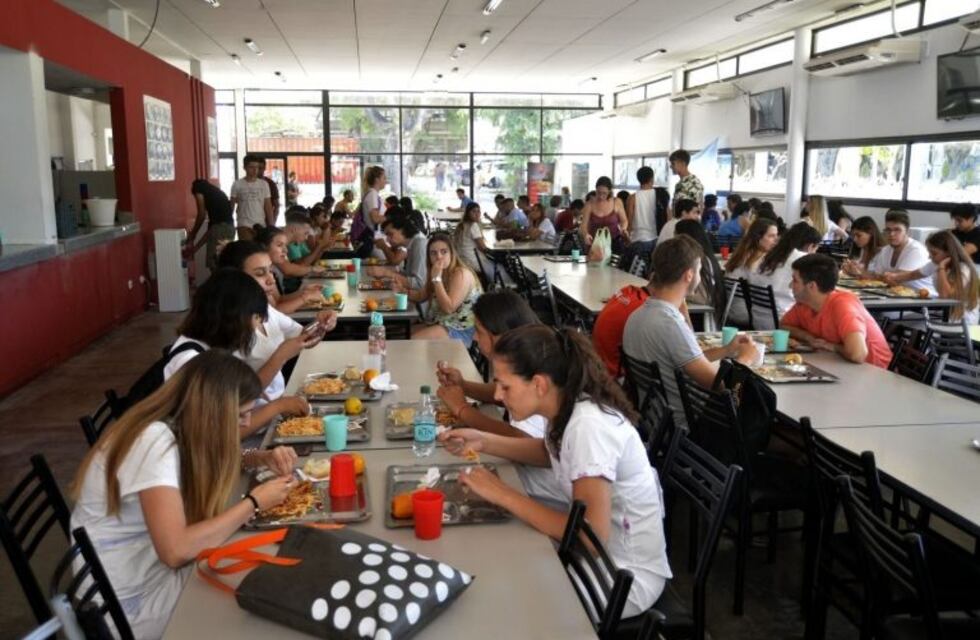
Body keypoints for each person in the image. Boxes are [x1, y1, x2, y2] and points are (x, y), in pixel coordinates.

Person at [438, 325, 672, 617]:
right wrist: (483, 441)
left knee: (498, 602)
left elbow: (591, 538)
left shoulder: (588, 427)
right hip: (597, 556)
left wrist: (505, 495)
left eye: (505, 386)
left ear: (539, 384)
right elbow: (548, 452)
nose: (497, 395)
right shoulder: (565, 407)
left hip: (621, 575)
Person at [70, 351, 297, 638]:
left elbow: (217, 455)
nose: (245, 423)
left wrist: (259, 457)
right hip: (126, 607)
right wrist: (254, 503)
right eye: (240, 414)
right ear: (211, 410)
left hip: (144, 574)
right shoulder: (152, 443)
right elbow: (176, 551)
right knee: (258, 602)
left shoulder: (174, 422)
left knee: (257, 569)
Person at [623, 236, 760, 430]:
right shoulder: (669, 324)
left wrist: (727, 350)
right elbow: (718, 386)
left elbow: (689, 358)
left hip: (654, 420)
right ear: (689, 275)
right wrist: (744, 361)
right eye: (699, 269)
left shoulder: (638, 315)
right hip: (688, 425)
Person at [162, 269, 315, 436]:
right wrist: (278, 406)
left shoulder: (219, 347)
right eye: (256, 317)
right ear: (233, 317)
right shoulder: (191, 361)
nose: (259, 325)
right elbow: (223, 434)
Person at [435, 291, 542, 439]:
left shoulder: (531, 370)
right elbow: (501, 392)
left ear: (499, 337)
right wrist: (463, 385)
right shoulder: (522, 356)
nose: (474, 337)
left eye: (479, 331)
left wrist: (463, 409)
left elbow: (522, 439)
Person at [782, 254, 893, 368]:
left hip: (873, 371)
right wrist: (809, 337)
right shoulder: (805, 303)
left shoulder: (843, 305)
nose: (790, 285)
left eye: (795, 281)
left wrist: (833, 346)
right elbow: (784, 326)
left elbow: (858, 354)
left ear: (811, 286)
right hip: (837, 364)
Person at [217, 240, 339, 330]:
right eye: (260, 273)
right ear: (234, 277)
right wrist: (304, 297)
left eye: (270, 270)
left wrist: (320, 324)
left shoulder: (264, 309)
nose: (272, 280)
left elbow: (301, 335)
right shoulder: (228, 325)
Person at [398, 233, 481, 344]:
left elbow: (449, 308)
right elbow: (421, 296)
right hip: (441, 322)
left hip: (461, 329)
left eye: (444, 252)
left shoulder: (461, 274)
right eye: (433, 253)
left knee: (411, 343)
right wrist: (402, 291)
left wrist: (437, 279)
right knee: (401, 336)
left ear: (452, 253)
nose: (439, 257)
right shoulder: (438, 272)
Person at [883, 231, 980, 325]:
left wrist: (941, 268)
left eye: (934, 253)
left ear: (949, 253)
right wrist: (894, 276)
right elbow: (914, 275)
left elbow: (945, 295)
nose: (930, 257)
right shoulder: (935, 263)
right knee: (897, 323)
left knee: (914, 324)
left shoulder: (963, 269)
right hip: (942, 313)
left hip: (960, 319)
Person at [749, 222, 823, 328]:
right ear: (811, 246)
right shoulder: (802, 258)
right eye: (816, 249)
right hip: (782, 321)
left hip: (757, 319)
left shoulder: (769, 255)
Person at [861, 209, 935, 294]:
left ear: (908, 232)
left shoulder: (916, 250)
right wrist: (858, 273)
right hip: (897, 298)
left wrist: (880, 277)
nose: (892, 234)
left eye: (897, 230)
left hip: (923, 301)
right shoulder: (885, 250)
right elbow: (877, 277)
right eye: (888, 230)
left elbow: (896, 280)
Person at [724, 218, 779, 325]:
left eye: (776, 236)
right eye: (771, 236)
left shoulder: (741, 255)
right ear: (758, 237)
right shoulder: (758, 262)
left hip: (732, 311)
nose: (776, 240)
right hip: (747, 314)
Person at [675, 219, 727, 328]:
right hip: (697, 313)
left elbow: (704, 298)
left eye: (676, 236)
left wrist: (676, 292)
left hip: (701, 318)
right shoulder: (702, 257)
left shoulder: (702, 260)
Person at [253, 225, 325, 294]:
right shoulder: (264, 273)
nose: (286, 250)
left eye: (284, 245)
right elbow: (289, 271)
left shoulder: (271, 268)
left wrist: (305, 293)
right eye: (279, 245)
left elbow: (279, 300)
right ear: (264, 247)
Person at [369, 213, 428, 289]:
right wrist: (385, 272)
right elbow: (409, 275)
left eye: (390, 234)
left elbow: (419, 284)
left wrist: (386, 273)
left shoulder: (419, 243)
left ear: (403, 230)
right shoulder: (412, 243)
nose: (387, 239)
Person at [187, 178, 235, 271]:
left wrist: (193, 234)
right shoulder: (217, 194)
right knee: (223, 263)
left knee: (215, 265)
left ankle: (219, 285)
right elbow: (211, 232)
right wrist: (196, 248)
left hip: (220, 230)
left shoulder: (199, 189)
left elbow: (201, 214)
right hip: (230, 229)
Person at [580, 176, 629, 254]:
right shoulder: (589, 204)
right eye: (598, 192)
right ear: (595, 189)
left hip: (614, 242)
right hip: (595, 244)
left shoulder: (617, 202)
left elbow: (624, 220)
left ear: (609, 191)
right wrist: (586, 235)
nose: (601, 196)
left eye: (604, 193)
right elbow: (583, 225)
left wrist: (623, 229)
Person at [230, 154, 272, 240]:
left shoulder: (264, 184)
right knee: (248, 250)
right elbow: (232, 206)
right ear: (244, 167)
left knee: (259, 250)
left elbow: (268, 206)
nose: (255, 170)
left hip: (260, 223)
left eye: (257, 167)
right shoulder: (237, 184)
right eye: (251, 167)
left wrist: (271, 226)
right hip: (243, 224)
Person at [351, 166, 386, 243]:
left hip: (373, 236)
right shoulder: (372, 195)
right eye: (384, 178)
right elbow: (375, 218)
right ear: (377, 180)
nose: (385, 181)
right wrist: (393, 217)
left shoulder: (373, 194)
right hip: (372, 238)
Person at [453, 201, 489, 274]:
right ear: (468, 213)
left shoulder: (461, 225)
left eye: (478, 211)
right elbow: (482, 247)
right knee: (499, 264)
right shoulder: (473, 225)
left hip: (461, 259)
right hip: (472, 262)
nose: (477, 214)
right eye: (474, 211)